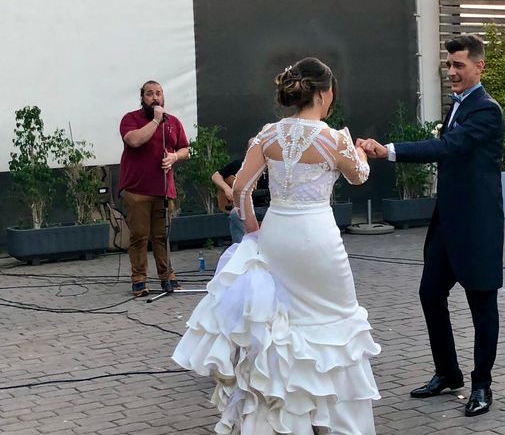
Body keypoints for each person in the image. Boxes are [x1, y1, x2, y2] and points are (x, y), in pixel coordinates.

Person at [173, 57, 380, 434]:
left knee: (282, 329)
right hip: (317, 237)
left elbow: (240, 189)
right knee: (335, 324)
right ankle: (333, 420)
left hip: (277, 234)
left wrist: (253, 230)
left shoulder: (268, 135)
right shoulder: (333, 139)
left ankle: (285, 418)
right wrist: (360, 151)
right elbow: (359, 177)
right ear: (323, 93)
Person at [357, 34, 504, 417]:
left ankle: (482, 385)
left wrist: (388, 150)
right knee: (429, 294)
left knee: (481, 305)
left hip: (477, 227)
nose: (451, 71)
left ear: (479, 66)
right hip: (446, 223)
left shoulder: (487, 110)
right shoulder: (459, 106)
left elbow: (448, 148)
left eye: (459, 65)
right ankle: (448, 372)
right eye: (449, 64)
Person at [118, 80, 190, 297]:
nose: (155, 98)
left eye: (159, 93)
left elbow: (185, 148)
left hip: (163, 188)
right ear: (142, 98)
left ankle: (167, 276)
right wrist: (157, 120)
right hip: (136, 190)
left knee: (161, 236)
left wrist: (174, 156)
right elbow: (135, 141)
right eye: (150, 94)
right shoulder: (131, 119)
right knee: (140, 236)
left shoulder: (174, 122)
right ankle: (139, 280)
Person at [211, 141, 270, 244]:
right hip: (245, 207)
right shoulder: (240, 164)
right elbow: (216, 176)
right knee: (235, 214)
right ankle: (240, 248)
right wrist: (227, 189)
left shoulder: (271, 166)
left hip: (267, 207)